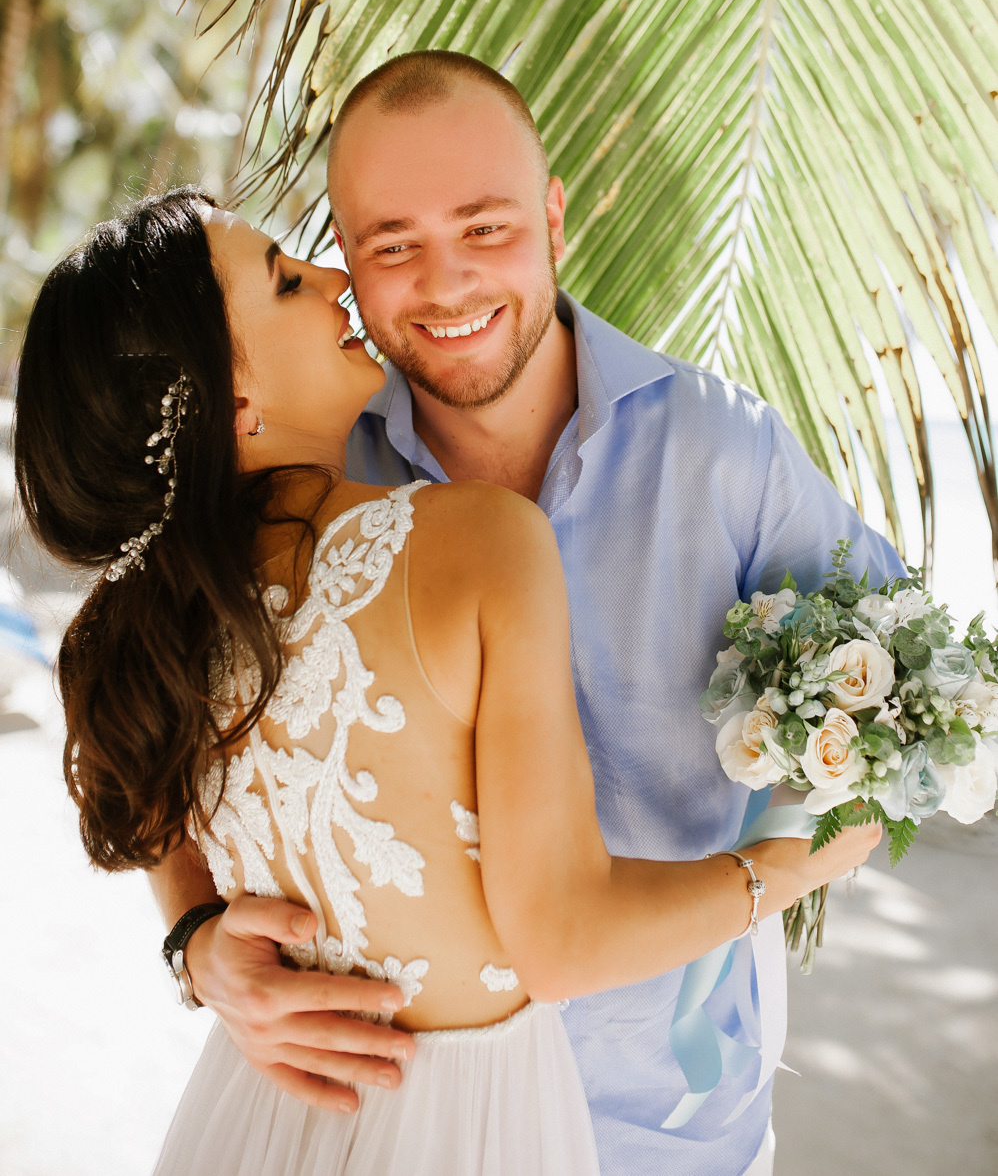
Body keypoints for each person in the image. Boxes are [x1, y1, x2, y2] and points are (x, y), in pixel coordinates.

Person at [14, 187, 879, 1175]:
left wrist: (199, 940)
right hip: (475, 1132)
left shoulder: (134, 641)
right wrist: (791, 862)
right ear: (233, 402)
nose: (333, 278)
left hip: (258, 1121)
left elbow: (167, 832)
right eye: (288, 281)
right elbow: (561, 945)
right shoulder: (474, 542)